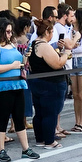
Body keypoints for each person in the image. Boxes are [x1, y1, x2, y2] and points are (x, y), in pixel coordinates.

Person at [0, 17, 40, 161]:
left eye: (10, 31)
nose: (9, 34)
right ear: (0, 31)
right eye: (7, 31)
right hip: (2, 87)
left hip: (17, 84)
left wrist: (25, 58)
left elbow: (19, 63)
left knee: (19, 117)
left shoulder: (11, 44)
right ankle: (1, 150)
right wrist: (12, 66)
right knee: (2, 119)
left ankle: (25, 148)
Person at [28, 18, 69, 149]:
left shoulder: (33, 44)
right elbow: (57, 64)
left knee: (39, 112)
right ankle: (49, 141)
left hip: (37, 82)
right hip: (51, 83)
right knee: (50, 113)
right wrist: (66, 53)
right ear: (47, 32)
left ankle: (40, 139)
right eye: (52, 32)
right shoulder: (44, 46)